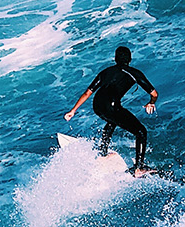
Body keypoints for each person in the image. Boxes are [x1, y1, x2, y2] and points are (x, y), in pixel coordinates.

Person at [64, 46, 158, 176]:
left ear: (115, 59)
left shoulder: (105, 72)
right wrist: (151, 103)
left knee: (112, 120)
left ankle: (102, 152)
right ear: (130, 59)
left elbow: (87, 92)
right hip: (112, 106)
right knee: (141, 131)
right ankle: (139, 168)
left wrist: (73, 110)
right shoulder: (135, 73)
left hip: (97, 105)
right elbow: (154, 94)